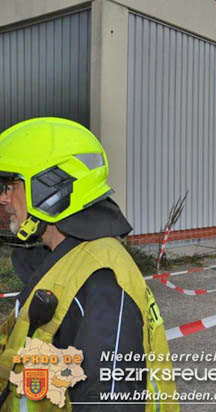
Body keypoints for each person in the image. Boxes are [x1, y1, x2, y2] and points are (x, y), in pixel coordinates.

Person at [0, 117, 178, 411]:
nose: (4, 199)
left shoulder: (102, 281)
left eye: (9, 186)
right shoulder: (60, 260)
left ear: (49, 190)